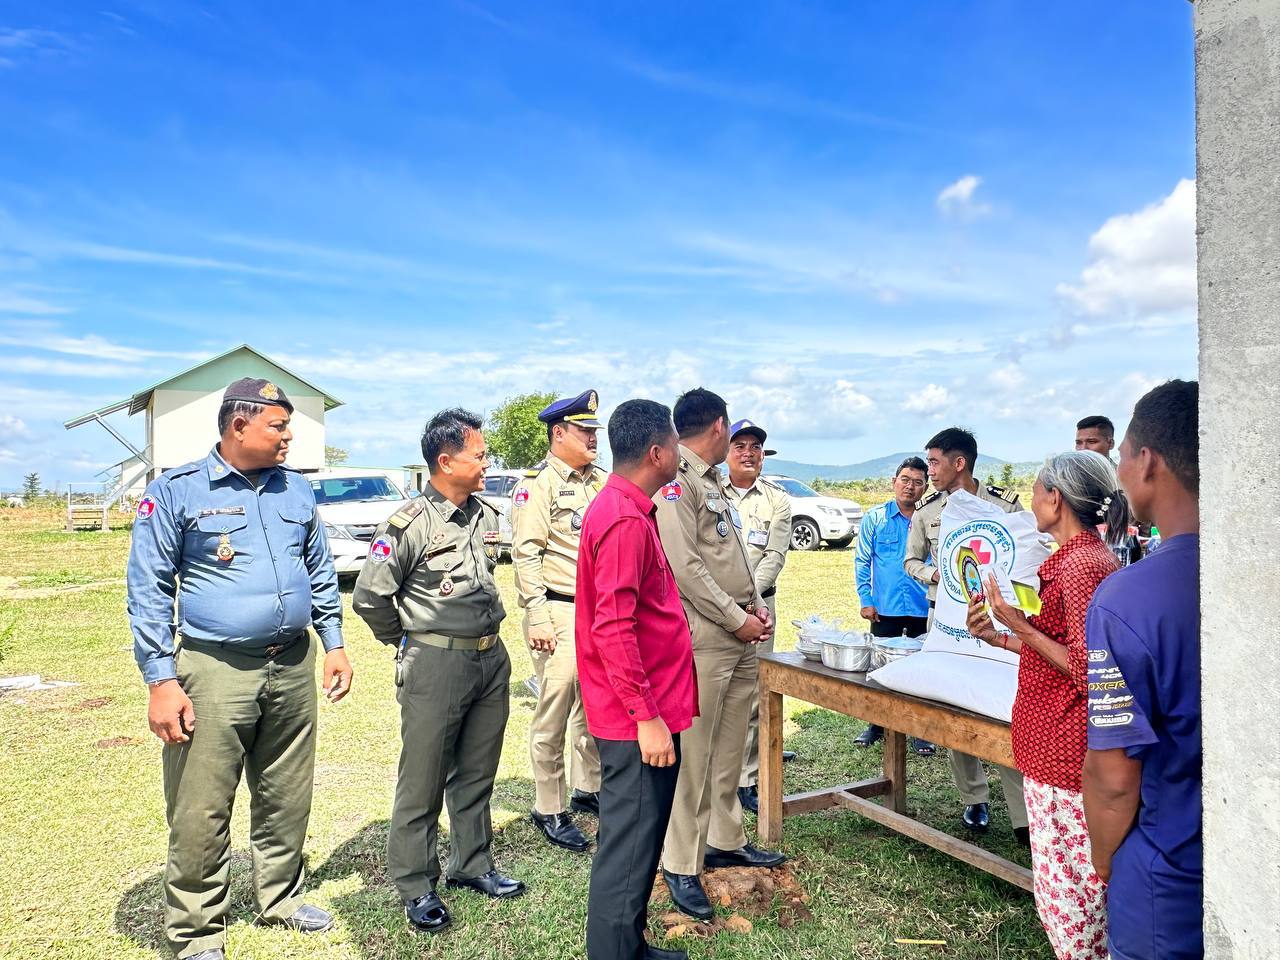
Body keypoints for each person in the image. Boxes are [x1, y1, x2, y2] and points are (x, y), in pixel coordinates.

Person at [126, 378, 352, 960]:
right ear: (239, 425)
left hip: (293, 661)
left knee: (286, 791)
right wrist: (161, 679)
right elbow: (149, 590)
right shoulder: (176, 491)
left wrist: (333, 642)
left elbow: (320, 571)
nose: (289, 435)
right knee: (201, 803)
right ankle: (197, 929)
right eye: (279, 425)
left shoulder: (295, 490)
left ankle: (280, 898)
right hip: (215, 668)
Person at [352, 408, 522, 936]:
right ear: (446, 462)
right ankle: (416, 884)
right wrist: (407, 643)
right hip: (436, 663)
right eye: (479, 455)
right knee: (422, 779)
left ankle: (471, 863)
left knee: (477, 771)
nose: (487, 462)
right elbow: (370, 597)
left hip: (490, 658)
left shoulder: (483, 515)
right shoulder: (408, 523)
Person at [966, 451, 1130, 959]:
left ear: (1055, 499)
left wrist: (1017, 622)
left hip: (1065, 755)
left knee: (1073, 895)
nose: (1032, 501)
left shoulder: (1081, 567)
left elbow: (1087, 669)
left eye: (1036, 492)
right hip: (1052, 748)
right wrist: (1000, 637)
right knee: (1066, 887)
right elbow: (1057, 649)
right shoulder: (1079, 559)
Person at [655, 388, 785, 922]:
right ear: (718, 427)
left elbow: (731, 553)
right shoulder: (677, 482)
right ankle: (680, 861)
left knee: (730, 746)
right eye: (731, 429)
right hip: (706, 635)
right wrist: (737, 618)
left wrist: (756, 604)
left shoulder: (712, 480)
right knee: (695, 753)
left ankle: (724, 839)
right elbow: (685, 567)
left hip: (740, 629)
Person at [1083, 380, 1201, 960]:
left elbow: (1113, 776)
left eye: (1122, 456)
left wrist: (1105, 858)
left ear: (1147, 462)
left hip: (1168, 879)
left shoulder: (1128, 598)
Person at [578, 399, 699, 960]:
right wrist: (646, 717)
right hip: (636, 719)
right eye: (675, 444)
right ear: (656, 453)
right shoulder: (625, 518)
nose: (680, 453)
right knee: (628, 848)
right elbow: (613, 627)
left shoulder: (625, 506)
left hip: (646, 709)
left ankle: (630, 944)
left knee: (639, 842)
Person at [903, 426, 1029, 839]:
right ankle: (974, 798)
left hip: (998, 624)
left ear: (959, 463)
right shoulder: (926, 512)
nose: (929, 470)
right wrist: (934, 574)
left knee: (1006, 707)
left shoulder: (1003, 506)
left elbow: (1023, 554)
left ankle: (1022, 815)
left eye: (934, 462)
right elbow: (911, 560)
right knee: (955, 705)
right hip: (945, 621)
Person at [511, 389, 606, 853]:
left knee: (592, 705)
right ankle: (549, 805)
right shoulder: (538, 484)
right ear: (558, 433)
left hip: (597, 610)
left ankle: (588, 787)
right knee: (554, 709)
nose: (593, 438)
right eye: (584, 430)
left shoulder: (601, 481)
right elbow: (526, 553)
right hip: (558, 609)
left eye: (594, 431)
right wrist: (537, 615)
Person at [722, 418, 794, 815]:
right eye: (740, 446)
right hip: (715, 608)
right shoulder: (710, 491)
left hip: (760, 607)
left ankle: (747, 779)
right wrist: (725, 604)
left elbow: (775, 555)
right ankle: (718, 773)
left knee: (754, 694)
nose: (749, 453)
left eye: (756, 447)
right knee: (717, 694)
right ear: (726, 452)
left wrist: (747, 600)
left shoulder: (777, 500)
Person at [854, 456, 935, 756]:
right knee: (880, 666)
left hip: (922, 606)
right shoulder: (875, 518)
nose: (910, 487)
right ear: (894, 482)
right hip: (885, 607)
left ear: (926, 487)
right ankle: (876, 724)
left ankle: (920, 731)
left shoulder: (930, 519)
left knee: (921, 668)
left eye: (918, 482)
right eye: (905, 480)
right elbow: (862, 561)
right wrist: (866, 600)